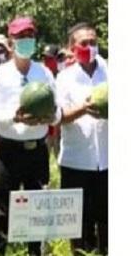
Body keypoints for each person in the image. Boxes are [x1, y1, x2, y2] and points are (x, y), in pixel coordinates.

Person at [0, 16, 61, 256]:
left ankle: (35, 252)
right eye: (20, 37)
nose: (26, 41)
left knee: (37, 209)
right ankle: (0, 250)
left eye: (29, 36)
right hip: (9, 151)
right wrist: (15, 117)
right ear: (10, 42)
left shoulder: (45, 74)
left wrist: (50, 117)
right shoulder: (0, 75)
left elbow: (58, 112)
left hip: (37, 150)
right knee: (4, 208)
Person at [56, 22, 107, 255]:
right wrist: (83, 109)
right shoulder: (64, 78)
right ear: (72, 47)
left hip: (107, 160)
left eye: (93, 42)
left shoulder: (111, 72)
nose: (90, 46)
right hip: (76, 161)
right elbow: (58, 117)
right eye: (84, 43)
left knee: (108, 224)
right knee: (78, 227)